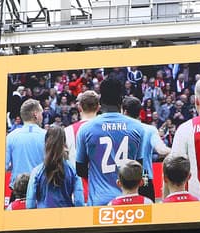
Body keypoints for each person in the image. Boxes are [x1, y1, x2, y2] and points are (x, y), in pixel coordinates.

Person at [74, 77, 148, 206]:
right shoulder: (137, 128)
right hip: (129, 201)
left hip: (99, 201)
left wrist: (98, 174)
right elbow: (139, 167)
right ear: (121, 100)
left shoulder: (86, 129)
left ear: (101, 100)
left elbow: (80, 169)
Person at [122, 96, 171, 200]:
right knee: (148, 213)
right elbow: (161, 150)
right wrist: (177, 150)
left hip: (123, 176)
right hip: (144, 176)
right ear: (140, 112)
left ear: (124, 112)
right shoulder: (150, 130)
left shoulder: (118, 130)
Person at [26, 127, 82, 209]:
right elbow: (79, 201)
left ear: (45, 142)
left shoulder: (37, 172)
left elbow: (30, 204)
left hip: (44, 216)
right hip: (66, 216)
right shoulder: (73, 170)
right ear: (64, 143)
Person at [5, 99, 46, 188]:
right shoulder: (47, 136)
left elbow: (4, 165)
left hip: (17, 188)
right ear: (35, 114)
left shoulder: (11, 137)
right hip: (40, 189)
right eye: (41, 113)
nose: (42, 117)